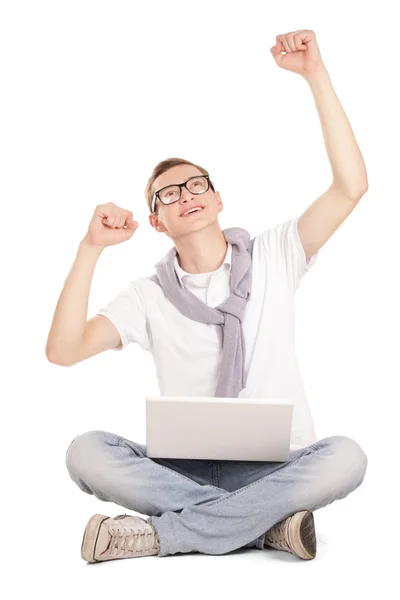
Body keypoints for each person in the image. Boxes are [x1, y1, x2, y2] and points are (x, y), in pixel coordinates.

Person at [46, 157, 368, 564]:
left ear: (218, 200)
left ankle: (163, 535)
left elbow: (351, 186)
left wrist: (318, 87)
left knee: (347, 457)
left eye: (197, 185)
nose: (186, 196)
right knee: (85, 453)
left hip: (277, 467)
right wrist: (91, 247)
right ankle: (265, 525)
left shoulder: (274, 254)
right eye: (169, 194)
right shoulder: (148, 296)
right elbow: (63, 349)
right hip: (181, 474)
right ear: (157, 221)